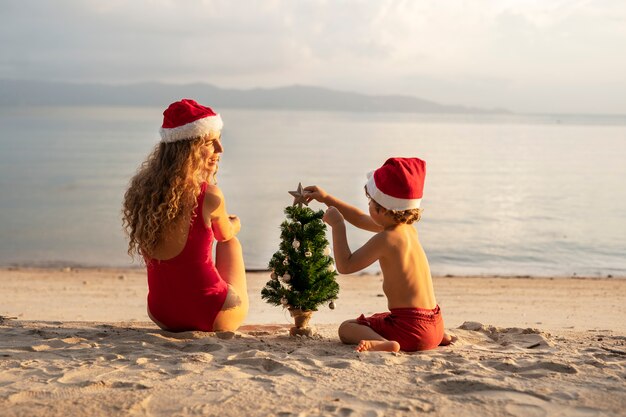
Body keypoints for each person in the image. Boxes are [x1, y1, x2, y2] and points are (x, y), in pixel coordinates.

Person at [122, 99, 248, 332]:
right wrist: (235, 224)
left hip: (162, 315)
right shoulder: (209, 196)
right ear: (188, 150)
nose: (220, 149)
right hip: (211, 315)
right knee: (231, 242)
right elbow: (224, 235)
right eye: (211, 142)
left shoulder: (144, 194)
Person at [304, 157, 453, 352]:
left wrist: (338, 226)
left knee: (347, 328)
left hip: (411, 331)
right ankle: (435, 337)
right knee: (383, 317)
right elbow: (358, 218)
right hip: (435, 324)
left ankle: (386, 344)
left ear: (381, 209)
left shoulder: (387, 239)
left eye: (370, 201)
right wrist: (326, 198)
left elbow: (345, 266)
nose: (368, 206)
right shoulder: (407, 229)